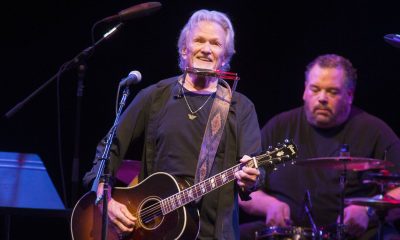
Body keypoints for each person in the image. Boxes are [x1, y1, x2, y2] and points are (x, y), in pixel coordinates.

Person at [82, 9, 262, 240]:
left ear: (225, 55)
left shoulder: (241, 107)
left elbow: (256, 171)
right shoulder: (156, 96)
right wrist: (104, 198)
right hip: (149, 230)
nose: (206, 49)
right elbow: (110, 148)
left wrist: (252, 177)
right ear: (184, 49)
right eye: (199, 40)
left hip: (213, 234)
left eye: (215, 44)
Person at [239, 54, 400, 240]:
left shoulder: (375, 132)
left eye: (332, 91)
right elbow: (244, 186)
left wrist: (368, 211)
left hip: (357, 235)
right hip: (287, 233)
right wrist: (268, 205)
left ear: (349, 96)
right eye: (315, 89)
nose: (322, 98)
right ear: (304, 91)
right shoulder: (279, 126)